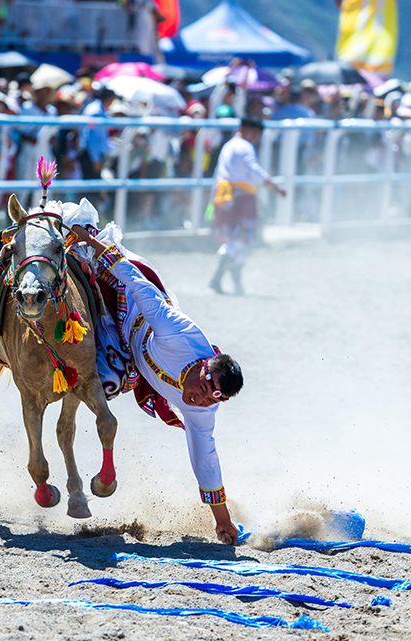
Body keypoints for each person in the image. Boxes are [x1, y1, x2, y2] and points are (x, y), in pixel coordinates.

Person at [70, 223, 243, 544]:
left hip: (137, 364)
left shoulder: (204, 410)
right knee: (77, 266)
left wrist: (223, 521)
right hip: (128, 315)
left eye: (208, 401)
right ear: (204, 365)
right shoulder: (178, 330)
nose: (196, 400)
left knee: (109, 381)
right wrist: (91, 242)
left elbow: (206, 459)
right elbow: (135, 281)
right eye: (201, 391)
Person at [208, 118, 285, 294]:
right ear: (243, 129)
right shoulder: (245, 147)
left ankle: (233, 284)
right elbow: (253, 168)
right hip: (241, 198)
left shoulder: (228, 146)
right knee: (238, 240)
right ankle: (219, 278)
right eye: (254, 133)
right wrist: (274, 186)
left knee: (234, 240)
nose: (255, 137)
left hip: (225, 196)